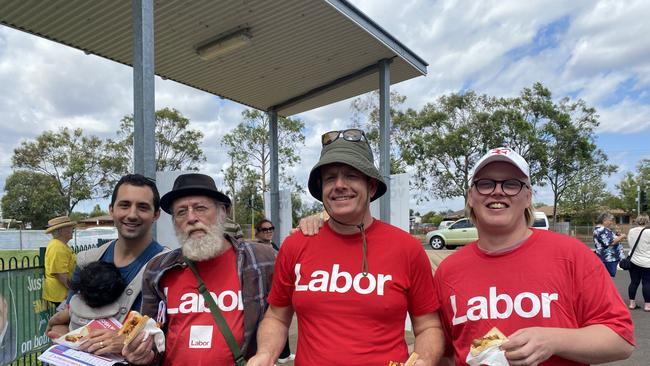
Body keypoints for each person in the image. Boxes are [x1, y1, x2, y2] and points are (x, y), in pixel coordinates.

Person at [248, 129, 444, 366]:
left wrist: (424, 360)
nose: (340, 185)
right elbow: (277, 317)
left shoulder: (407, 248)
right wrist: (265, 354)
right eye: (330, 177)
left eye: (351, 176)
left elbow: (428, 326)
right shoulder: (296, 244)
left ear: (371, 187)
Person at [433, 147, 634, 365]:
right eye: (485, 183)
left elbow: (620, 339)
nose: (497, 191)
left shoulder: (571, 255)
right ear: (471, 196)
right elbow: (445, 352)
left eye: (511, 184)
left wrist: (554, 340)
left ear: (528, 197)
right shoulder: (448, 271)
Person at [122, 173, 276, 365]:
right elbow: (152, 336)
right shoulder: (158, 269)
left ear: (223, 212)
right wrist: (145, 354)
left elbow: (281, 317)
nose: (191, 218)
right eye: (181, 212)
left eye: (200, 208)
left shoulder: (261, 260)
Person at [46, 173, 166, 357]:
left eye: (142, 207)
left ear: (156, 214)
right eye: (124, 205)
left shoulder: (167, 268)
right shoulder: (87, 260)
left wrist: (126, 342)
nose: (132, 215)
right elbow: (66, 316)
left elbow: (174, 337)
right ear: (111, 209)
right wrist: (64, 340)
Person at [253, 218, 294, 363]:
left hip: (277, 290)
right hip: (262, 292)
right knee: (264, 326)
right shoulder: (253, 249)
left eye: (271, 228)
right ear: (257, 232)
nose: (269, 231)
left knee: (282, 323)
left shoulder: (274, 245)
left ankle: (284, 355)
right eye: (265, 229)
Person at [43, 215, 77, 308]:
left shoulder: (61, 245)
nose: (72, 229)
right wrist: (73, 290)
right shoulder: (57, 247)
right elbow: (60, 274)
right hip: (61, 295)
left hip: (62, 294)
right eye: (69, 227)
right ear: (61, 230)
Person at [626, 213, 650, 311]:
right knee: (647, 283)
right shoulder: (649, 232)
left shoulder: (631, 231)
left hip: (633, 261)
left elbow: (630, 243)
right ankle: (647, 306)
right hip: (647, 261)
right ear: (647, 221)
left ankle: (632, 304)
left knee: (634, 282)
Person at [594, 212, 626, 277]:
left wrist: (618, 235)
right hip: (608, 259)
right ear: (604, 220)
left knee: (606, 277)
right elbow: (610, 243)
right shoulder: (602, 230)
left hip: (608, 258)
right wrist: (622, 236)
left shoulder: (603, 229)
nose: (611, 222)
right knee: (607, 277)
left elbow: (610, 240)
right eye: (610, 220)